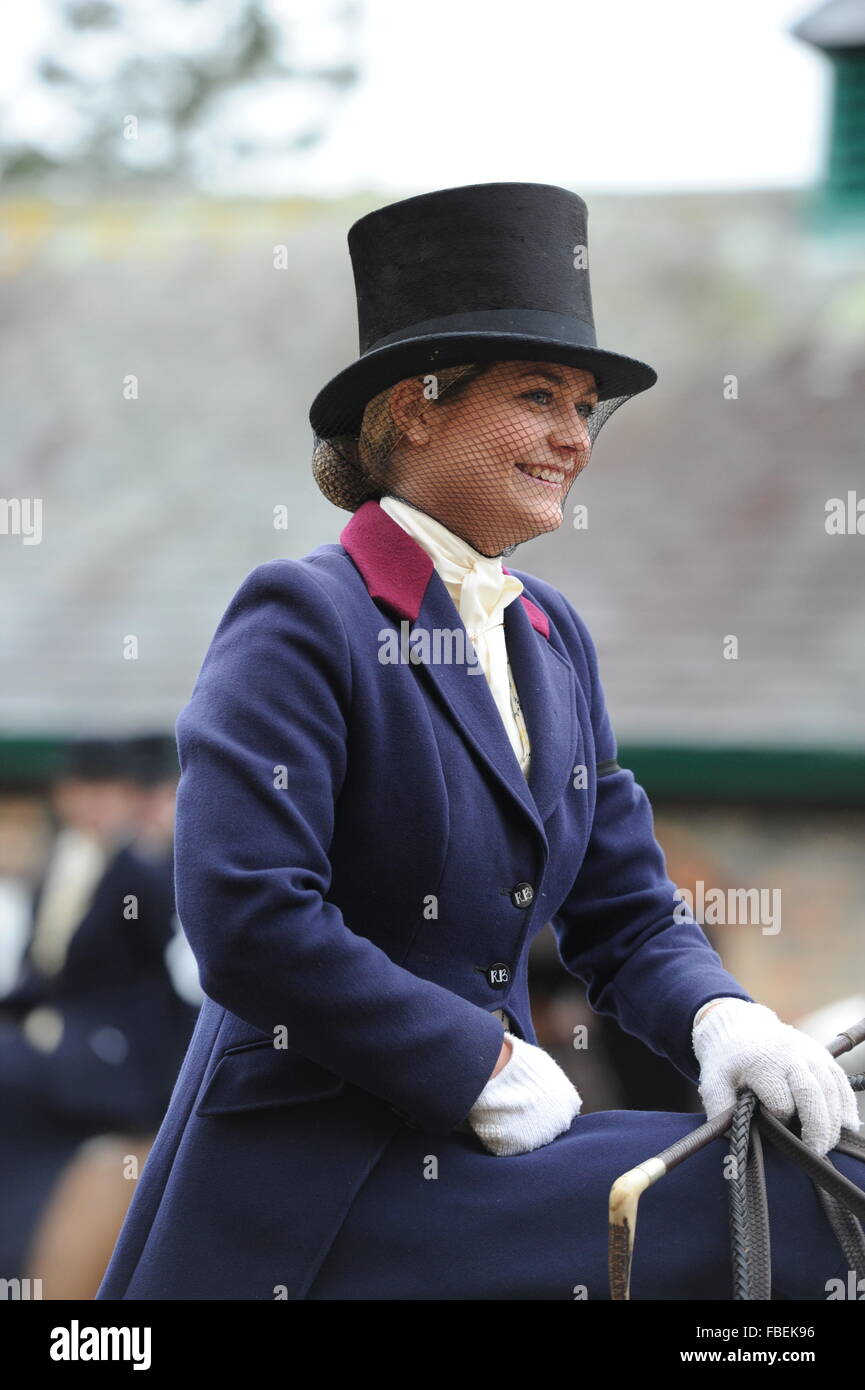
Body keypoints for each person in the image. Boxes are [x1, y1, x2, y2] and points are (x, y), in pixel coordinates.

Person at [96, 183, 865, 1301]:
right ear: (415, 407)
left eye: (585, 407)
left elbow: (626, 910)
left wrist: (723, 1017)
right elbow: (248, 916)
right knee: (789, 1205)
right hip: (329, 1175)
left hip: (488, 1153)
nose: (572, 439)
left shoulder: (553, 639)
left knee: (820, 1167)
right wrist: (479, 1063)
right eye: (540, 396)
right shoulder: (305, 615)